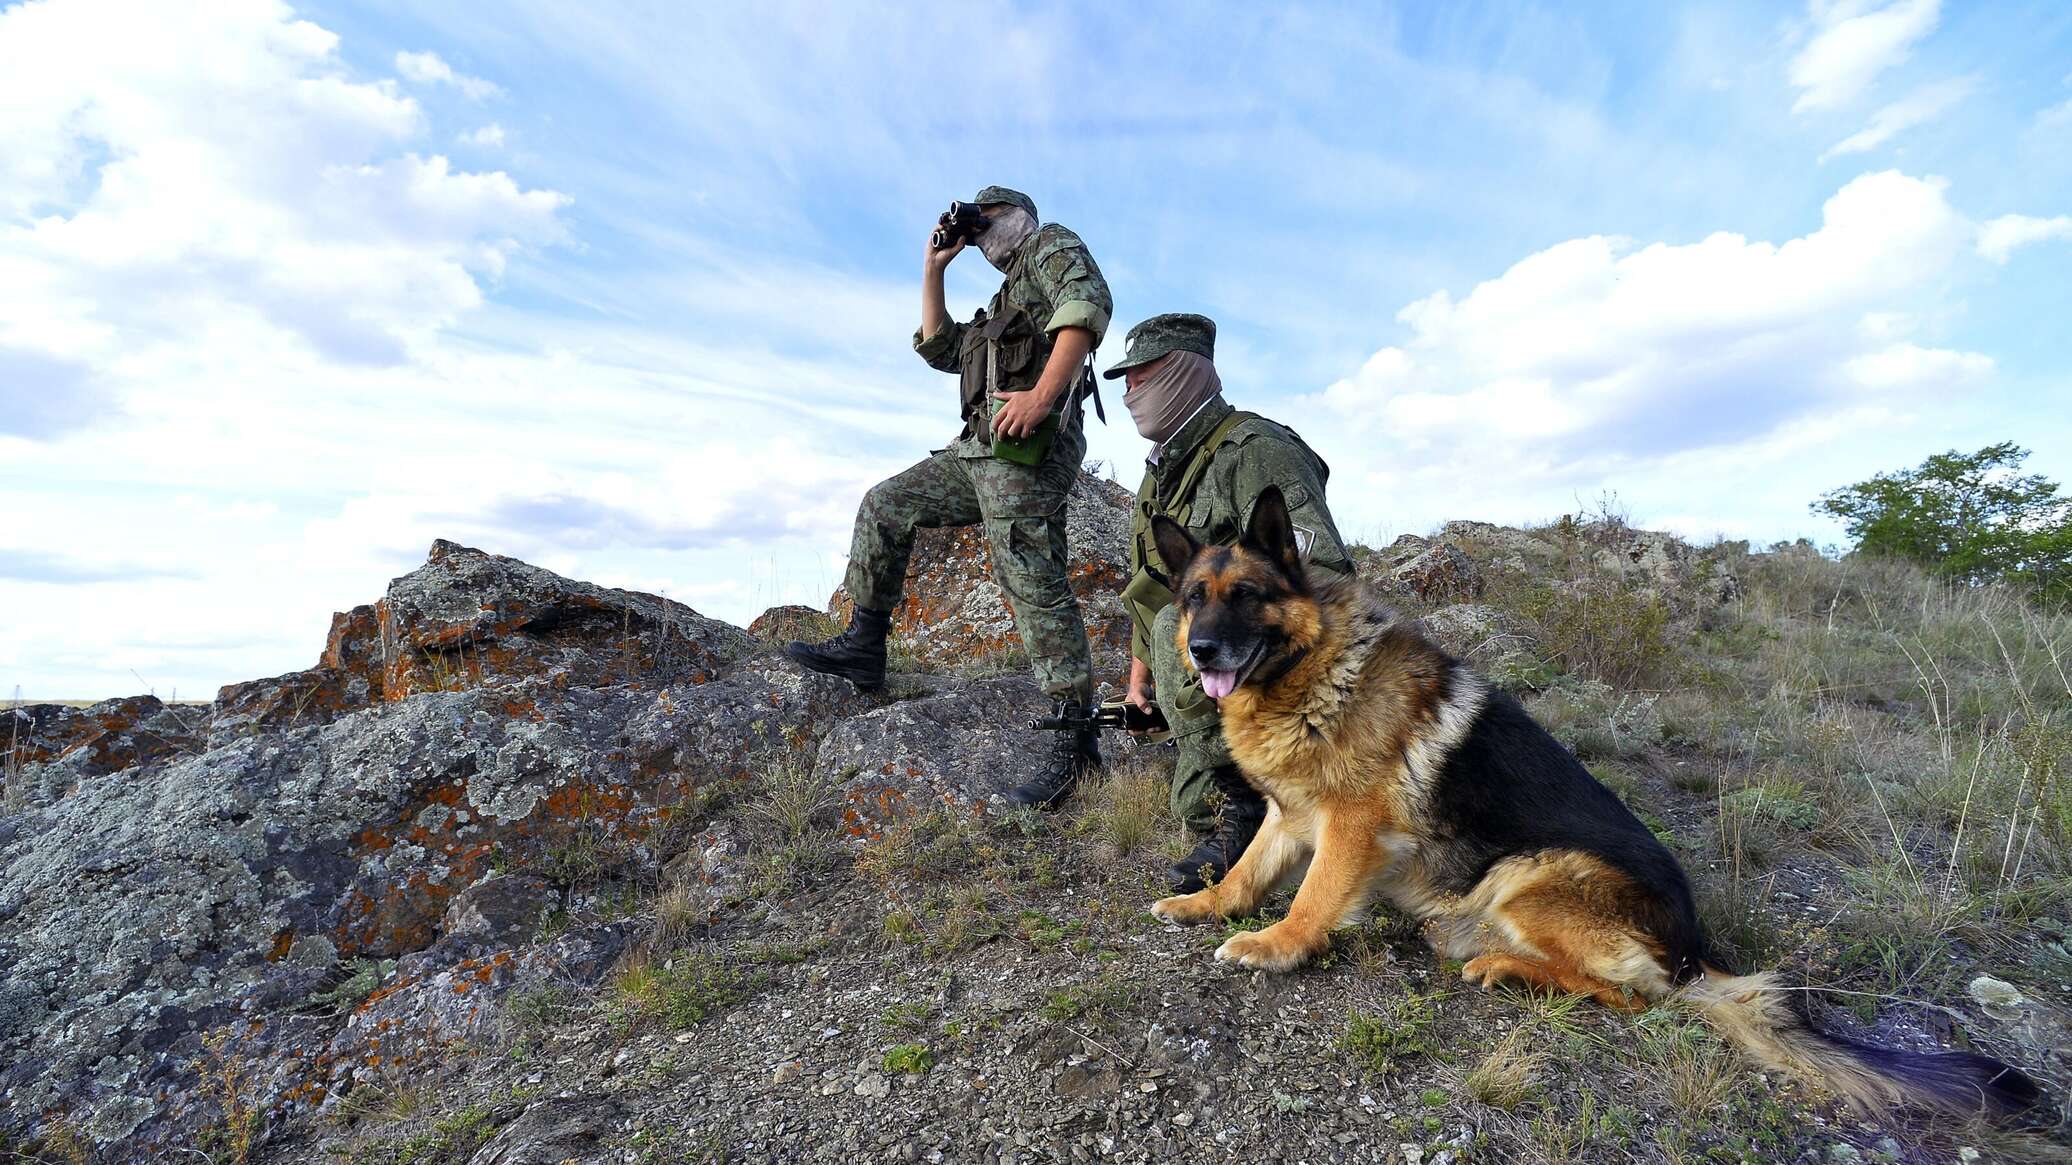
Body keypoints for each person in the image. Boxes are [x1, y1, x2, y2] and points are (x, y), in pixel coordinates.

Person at [786, 186, 1113, 802]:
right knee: (886, 505)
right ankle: (864, 647)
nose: (980, 230)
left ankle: (1075, 739)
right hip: (978, 454)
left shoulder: (1049, 246)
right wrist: (935, 268)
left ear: (1015, 215)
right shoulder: (1004, 297)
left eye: (986, 218)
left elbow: (1088, 306)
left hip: (1027, 451)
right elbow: (941, 347)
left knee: (1030, 576)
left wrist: (1042, 397)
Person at [1104, 313, 1354, 892]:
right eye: (1124, 383)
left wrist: (1258, 660)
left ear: (1183, 373)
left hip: (1284, 675)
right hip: (1217, 674)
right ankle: (1235, 796)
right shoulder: (1161, 473)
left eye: (1140, 379)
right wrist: (1142, 682)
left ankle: (1254, 809)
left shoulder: (1256, 451)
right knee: (1190, 803)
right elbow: (1153, 590)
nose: (1128, 395)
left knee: (1192, 622)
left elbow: (1319, 573)